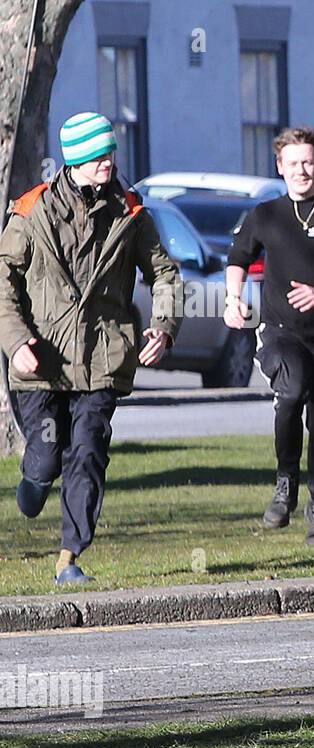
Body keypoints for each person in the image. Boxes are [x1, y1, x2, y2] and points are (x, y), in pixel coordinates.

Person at [0, 111, 181, 584]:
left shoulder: (131, 212)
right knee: (47, 452)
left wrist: (163, 326)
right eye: (99, 154)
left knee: (88, 450)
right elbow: (3, 281)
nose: (109, 160)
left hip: (103, 358)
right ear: (76, 158)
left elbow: (164, 273)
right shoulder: (31, 211)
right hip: (41, 359)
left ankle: (69, 557)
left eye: (111, 152)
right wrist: (16, 340)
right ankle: (36, 477)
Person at [224, 126, 314, 546]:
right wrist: (234, 300)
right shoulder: (266, 215)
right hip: (281, 334)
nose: (301, 171)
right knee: (290, 392)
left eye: (308, 162)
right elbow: (237, 257)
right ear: (280, 167)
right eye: (293, 164)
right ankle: (285, 482)